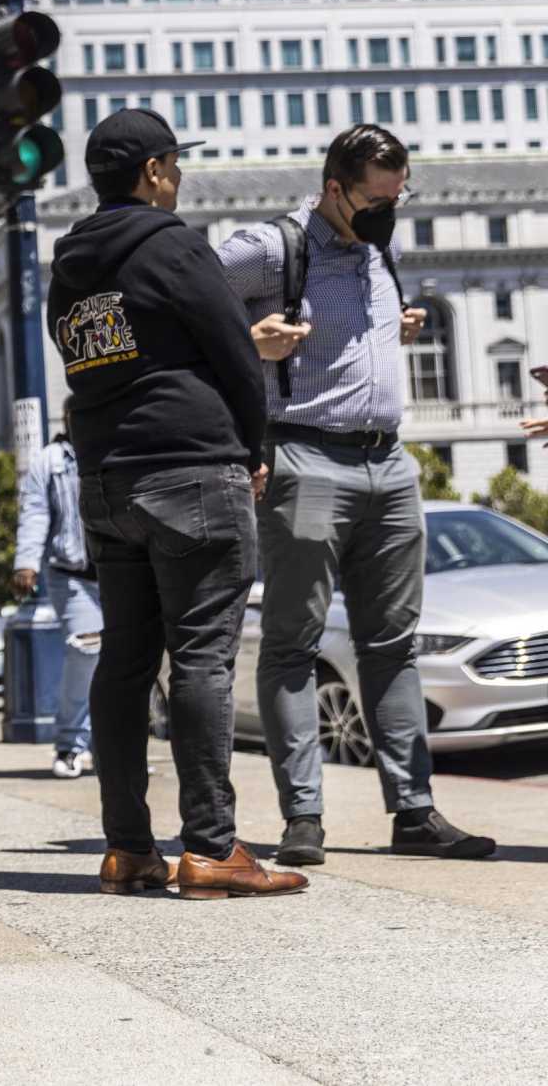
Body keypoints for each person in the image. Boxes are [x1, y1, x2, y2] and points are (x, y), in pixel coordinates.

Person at [216, 124, 496, 864]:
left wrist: (390, 329)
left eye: (397, 199)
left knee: (392, 643)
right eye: (376, 201)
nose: (388, 213)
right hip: (308, 462)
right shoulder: (275, 248)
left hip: (392, 467)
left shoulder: (383, 250)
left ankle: (414, 809)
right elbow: (186, 304)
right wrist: (250, 337)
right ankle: (303, 815)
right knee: (294, 642)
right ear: (334, 189)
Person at [49, 108, 308, 901]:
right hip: (192, 469)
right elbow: (232, 350)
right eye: (173, 164)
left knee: (126, 658)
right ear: (155, 172)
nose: (179, 177)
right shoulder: (173, 243)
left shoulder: (71, 259)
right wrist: (253, 448)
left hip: (108, 479)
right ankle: (210, 846)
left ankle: (128, 848)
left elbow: (90, 355)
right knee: (200, 655)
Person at [13, 434, 101, 779]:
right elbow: (35, 511)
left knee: (123, 660)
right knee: (85, 649)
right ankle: (70, 744)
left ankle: (116, 745)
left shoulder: (114, 440)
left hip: (123, 569)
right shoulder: (51, 460)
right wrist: (26, 563)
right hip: (72, 573)